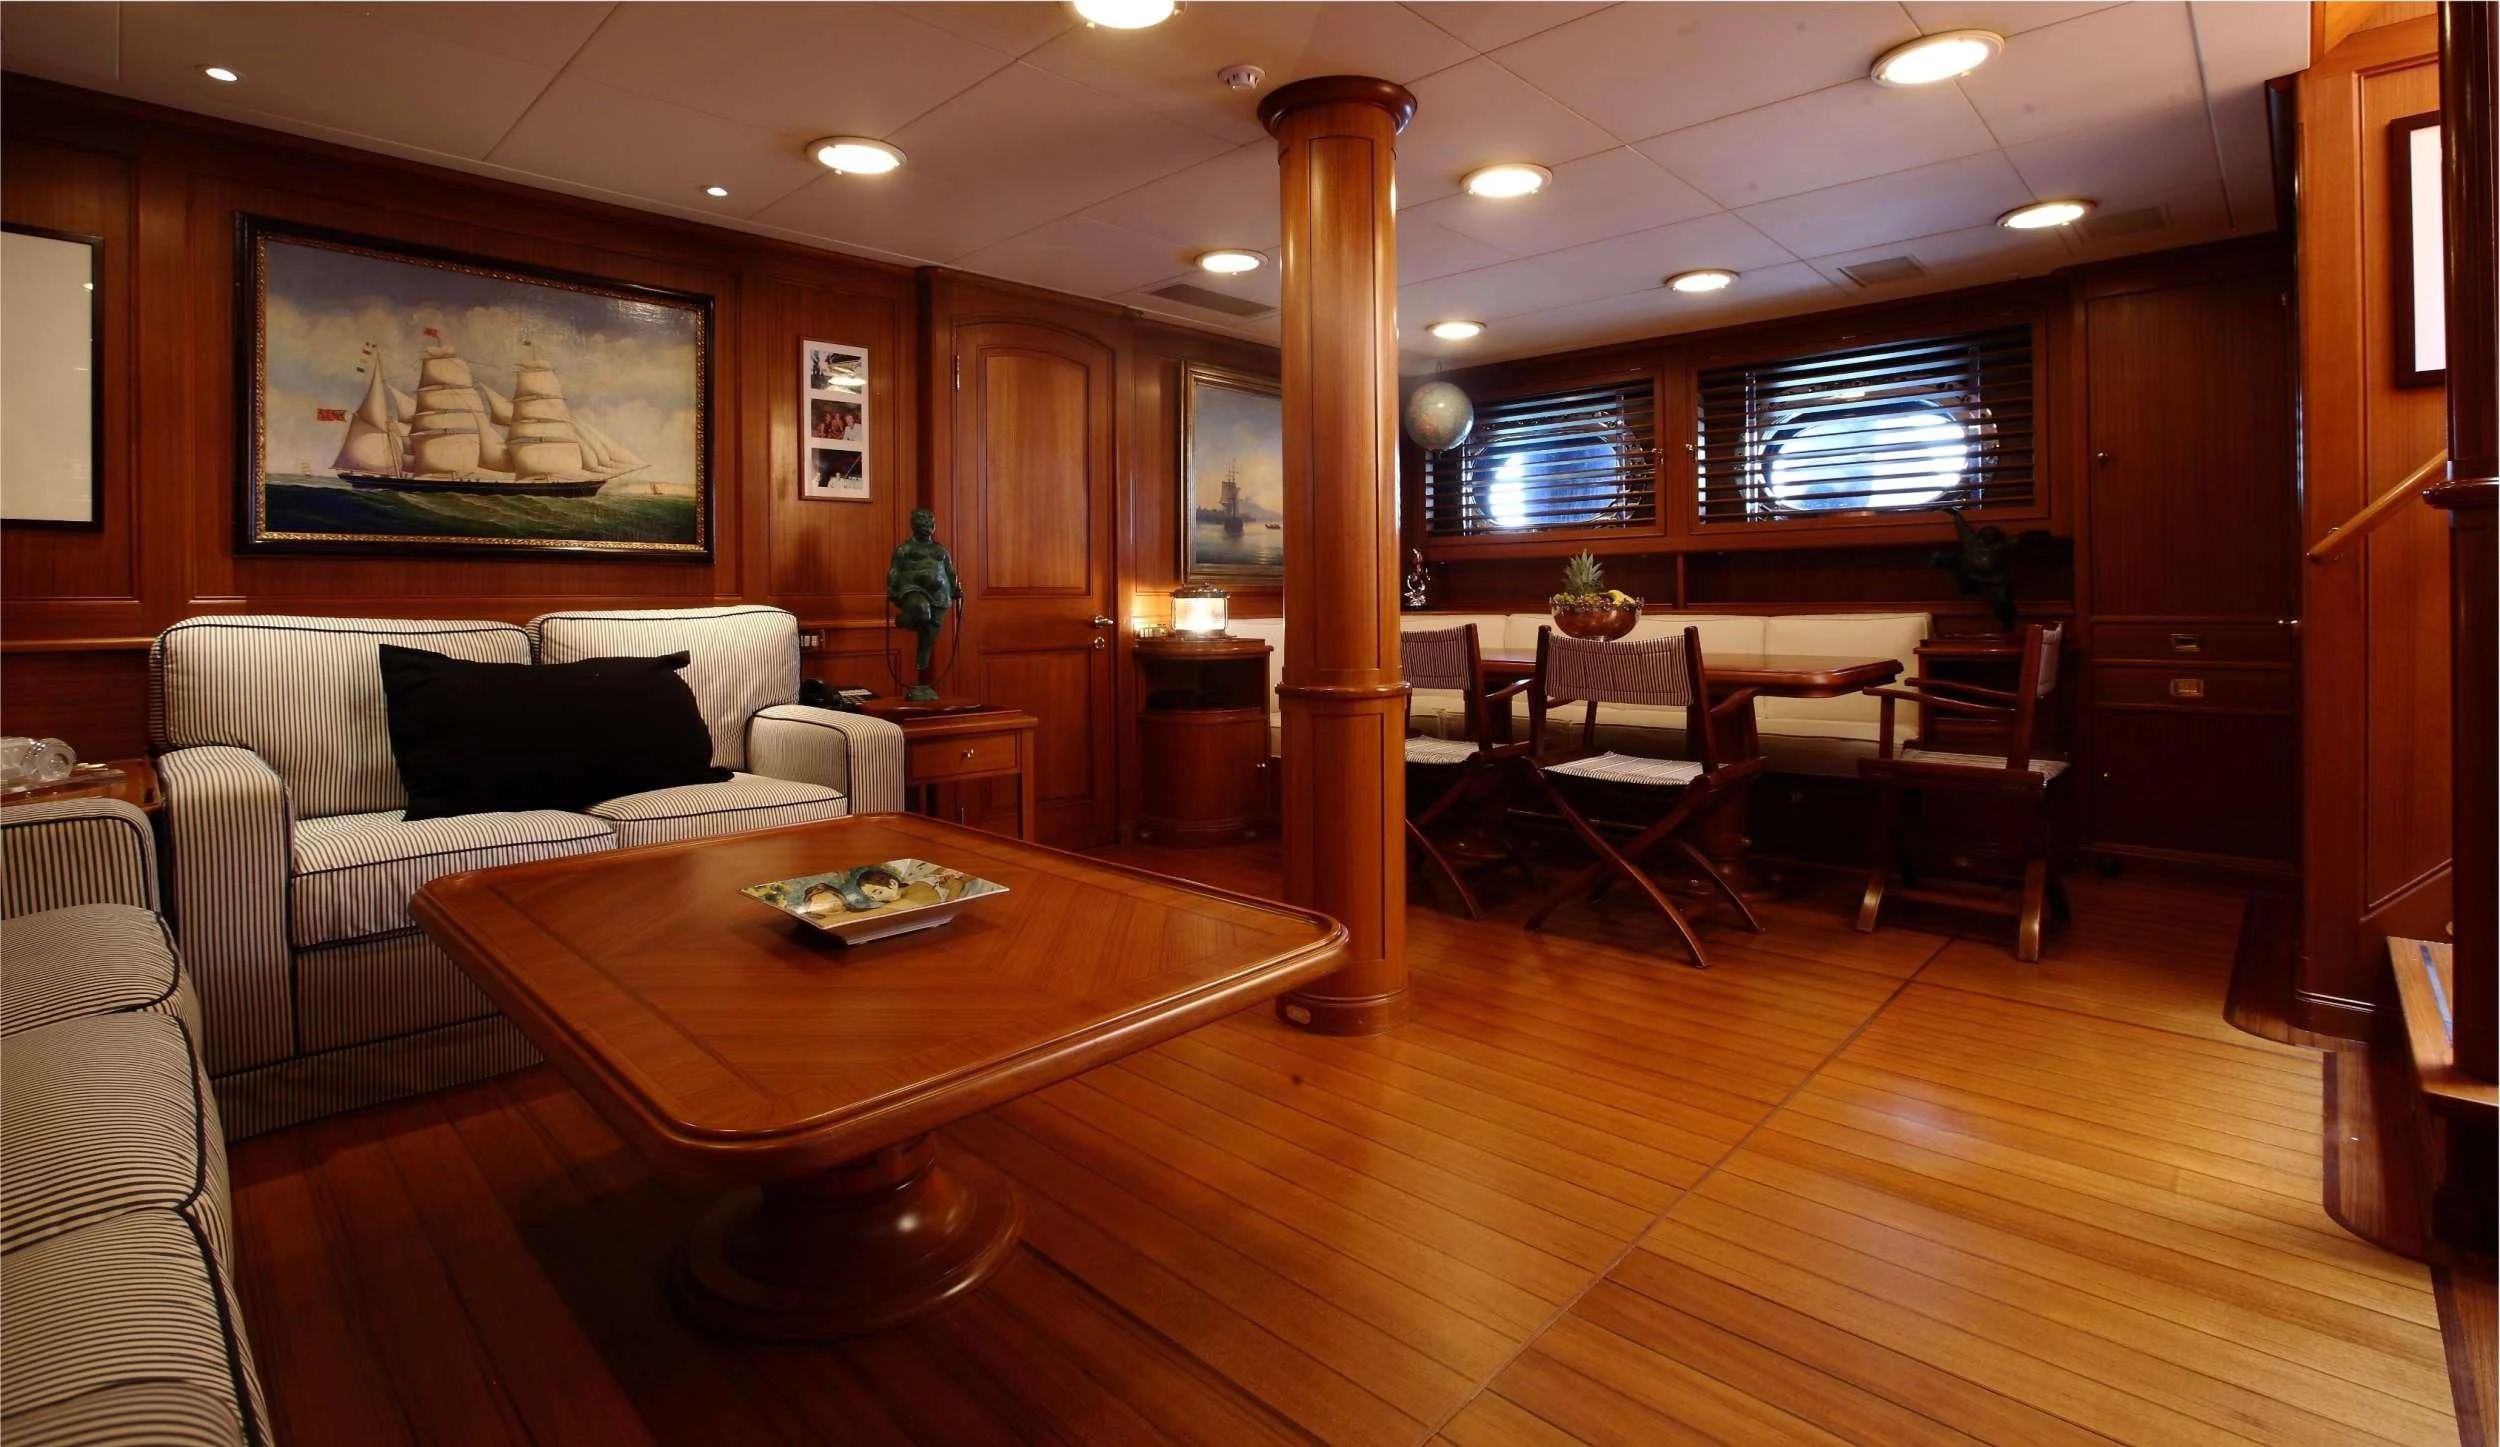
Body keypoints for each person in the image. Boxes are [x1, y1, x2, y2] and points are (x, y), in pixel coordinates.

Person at [886, 508, 961, 701]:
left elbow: (950, 572)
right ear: (914, 526)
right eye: (922, 524)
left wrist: (956, 589)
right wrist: (892, 588)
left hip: (940, 595)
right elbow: (895, 570)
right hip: (912, 590)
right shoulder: (905, 549)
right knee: (921, 611)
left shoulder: (940, 550)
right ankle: (904, 620)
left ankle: (922, 677)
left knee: (929, 637)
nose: (927, 527)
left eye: (929, 524)